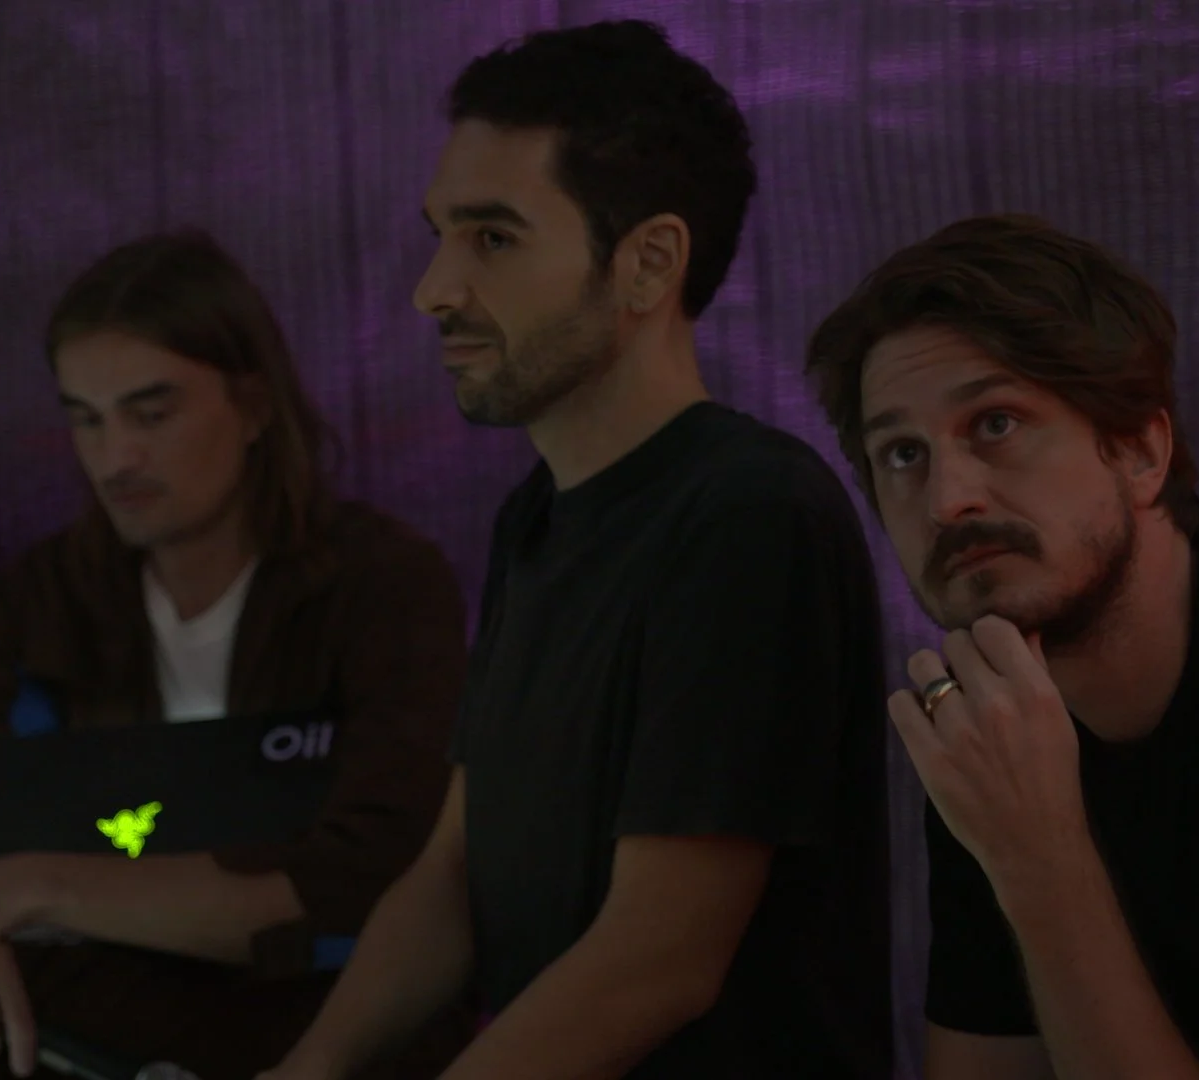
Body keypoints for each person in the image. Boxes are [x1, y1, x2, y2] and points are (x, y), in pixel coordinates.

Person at [263, 20, 892, 1080]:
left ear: (648, 263)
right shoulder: (536, 519)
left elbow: (658, 958)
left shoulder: (748, 514)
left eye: (493, 239)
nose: (433, 290)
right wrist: (306, 1071)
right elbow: (453, 873)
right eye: (441, 234)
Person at [805, 213, 1199, 1079]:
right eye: (902, 453)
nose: (947, 498)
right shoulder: (994, 723)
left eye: (996, 423)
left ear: (1141, 450)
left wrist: (1040, 858)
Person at [0, 230, 473, 1080]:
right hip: (101, 988)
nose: (116, 457)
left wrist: (36, 885)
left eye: (151, 413)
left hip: (314, 1001)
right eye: (86, 419)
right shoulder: (45, 600)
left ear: (253, 406)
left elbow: (382, 871)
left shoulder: (379, 584)